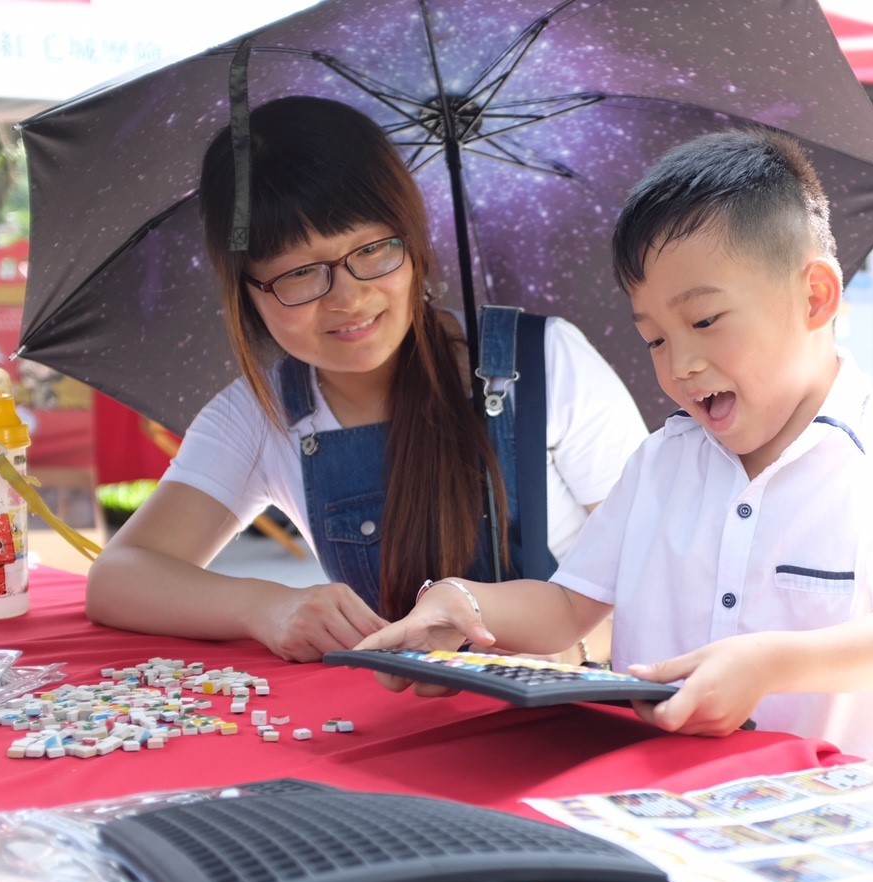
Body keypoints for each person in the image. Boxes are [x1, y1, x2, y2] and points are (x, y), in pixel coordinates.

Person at [360, 129, 873, 757]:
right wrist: (461, 601)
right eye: (655, 338)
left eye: (705, 321)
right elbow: (564, 606)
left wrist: (768, 663)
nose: (679, 364)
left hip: (835, 815)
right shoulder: (660, 462)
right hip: (654, 804)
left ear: (815, 295)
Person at [85, 96, 648, 662]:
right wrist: (265, 606)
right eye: (301, 273)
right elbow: (119, 578)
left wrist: (562, 650)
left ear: (412, 239)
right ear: (247, 293)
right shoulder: (262, 415)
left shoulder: (545, 362)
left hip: (569, 715)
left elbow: (654, 572)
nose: (349, 298)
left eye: (373, 249)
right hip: (392, 730)